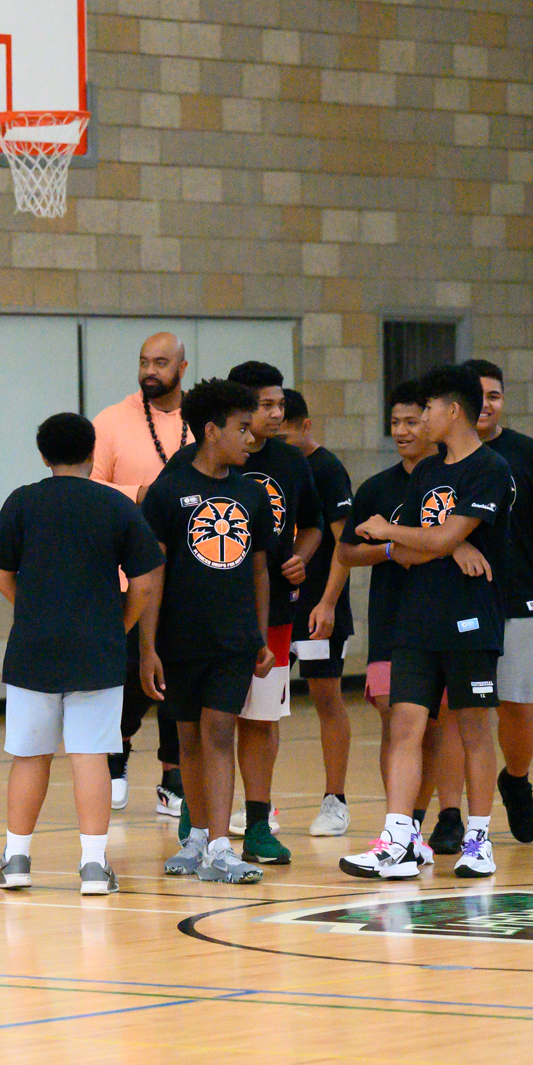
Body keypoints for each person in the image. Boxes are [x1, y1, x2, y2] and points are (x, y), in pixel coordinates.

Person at [341, 365, 513, 880]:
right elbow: (416, 550)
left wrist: (398, 531)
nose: (422, 418)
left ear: (452, 411)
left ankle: (478, 840)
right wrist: (447, 545)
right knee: (405, 725)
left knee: (473, 729)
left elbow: (429, 538)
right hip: (416, 619)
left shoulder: (490, 468)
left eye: (429, 409)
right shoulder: (426, 472)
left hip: (471, 620)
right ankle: (399, 841)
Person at [0, 413, 163, 895]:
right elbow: (144, 584)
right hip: (97, 650)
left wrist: (32, 611)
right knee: (90, 756)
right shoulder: (116, 504)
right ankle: (94, 866)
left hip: (33, 649)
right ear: (92, 453)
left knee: (29, 756)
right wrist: (118, 626)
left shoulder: (22, 501)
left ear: (43, 455)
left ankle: (16, 860)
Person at [423, 360, 533, 845]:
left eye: (495, 396)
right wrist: (454, 544)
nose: (486, 405)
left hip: (515, 597)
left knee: (519, 706)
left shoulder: (524, 453)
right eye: (479, 395)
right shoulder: (437, 459)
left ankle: (517, 778)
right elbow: (427, 523)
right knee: (456, 712)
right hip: (455, 602)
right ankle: (450, 814)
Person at [139, 378, 271, 886]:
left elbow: (259, 569)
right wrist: (148, 646)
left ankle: (220, 846)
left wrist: (261, 634)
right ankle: (195, 839)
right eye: (242, 428)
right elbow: (152, 575)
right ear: (212, 431)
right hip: (179, 639)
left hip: (233, 639)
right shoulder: (166, 493)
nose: (250, 438)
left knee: (219, 730)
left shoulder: (251, 493)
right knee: (188, 737)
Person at [327, 382, 448, 859]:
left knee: (435, 727)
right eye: (395, 422)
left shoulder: (455, 481)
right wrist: (394, 550)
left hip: (446, 620)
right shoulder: (378, 487)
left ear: (434, 422)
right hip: (392, 621)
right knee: (396, 722)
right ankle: (400, 827)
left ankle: (418, 823)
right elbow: (348, 552)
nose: (401, 431)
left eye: (411, 421)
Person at [221, 362, 320, 865]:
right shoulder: (199, 461)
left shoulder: (290, 460)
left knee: (260, 718)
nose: (278, 414)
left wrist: (300, 555)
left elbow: (315, 524)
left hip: (274, 611)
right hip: (211, 611)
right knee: (210, 717)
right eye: (266, 405)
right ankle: (200, 820)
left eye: (281, 404)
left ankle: (258, 823)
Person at [90, 331, 190, 816]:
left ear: (182, 369)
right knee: (130, 673)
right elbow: (90, 488)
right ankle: (117, 754)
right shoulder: (110, 421)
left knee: (180, 675)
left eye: (161, 362)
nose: (150, 370)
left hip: (190, 576)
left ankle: (173, 777)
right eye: (144, 361)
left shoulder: (202, 423)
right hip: (128, 577)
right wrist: (141, 495)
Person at [281, 388, 359, 837]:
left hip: (316, 607)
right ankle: (259, 805)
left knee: (326, 697)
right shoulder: (269, 465)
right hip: (277, 607)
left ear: (306, 427)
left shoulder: (326, 469)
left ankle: (335, 800)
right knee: (261, 705)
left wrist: (327, 602)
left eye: (286, 436)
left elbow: (345, 544)